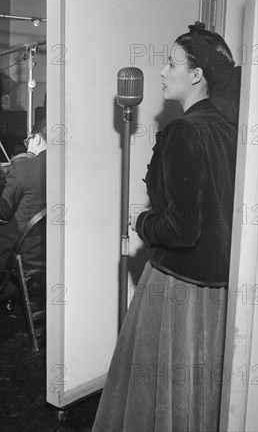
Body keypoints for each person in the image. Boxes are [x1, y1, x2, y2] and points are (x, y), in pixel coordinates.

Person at [92, 22, 239, 432]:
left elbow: (180, 229)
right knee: (195, 391)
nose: (162, 71)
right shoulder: (230, 130)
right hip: (218, 285)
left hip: (178, 285)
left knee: (156, 393)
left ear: (196, 75)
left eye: (171, 63)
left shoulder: (183, 131)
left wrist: (140, 221)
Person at [0, 119, 47, 279]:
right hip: (52, 249)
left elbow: (3, 213)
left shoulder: (23, 168)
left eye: (29, 140)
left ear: (39, 138)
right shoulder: (73, 169)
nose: (27, 146)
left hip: (22, 250)